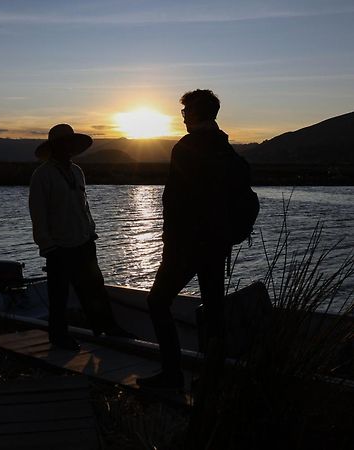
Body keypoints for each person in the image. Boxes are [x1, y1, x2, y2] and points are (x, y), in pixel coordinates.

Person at [136, 89, 234, 389]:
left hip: (188, 245)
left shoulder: (186, 147)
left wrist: (171, 243)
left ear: (194, 113)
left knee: (157, 301)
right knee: (214, 308)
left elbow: (177, 201)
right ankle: (212, 377)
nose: (182, 117)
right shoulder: (224, 145)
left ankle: (172, 374)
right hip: (218, 244)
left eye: (185, 112)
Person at [29, 123, 134, 352]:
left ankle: (106, 328)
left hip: (84, 241)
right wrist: (47, 246)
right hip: (58, 247)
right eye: (63, 143)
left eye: (70, 143)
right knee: (59, 295)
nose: (67, 148)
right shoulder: (42, 175)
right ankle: (58, 337)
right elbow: (38, 215)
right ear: (54, 147)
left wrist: (90, 230)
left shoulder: (77, 171)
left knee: (95, 288)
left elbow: (83, 206)